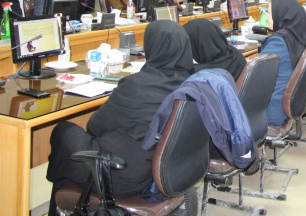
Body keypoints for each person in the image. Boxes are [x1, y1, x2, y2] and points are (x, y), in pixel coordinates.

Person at [46, 20, 195, 216]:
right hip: (161, 172)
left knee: (63, 132)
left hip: (119, 175)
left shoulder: (137, 85)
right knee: (72, 153)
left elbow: (94, 126)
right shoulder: (191, 83)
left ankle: (63, 206)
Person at [261, 0, 306, 125]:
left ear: (281, 15)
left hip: (270, 110)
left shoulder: (278, 42)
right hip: (287, 105)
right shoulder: (299, 36)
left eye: (269, 12)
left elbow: (255, 75)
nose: (266, 16)